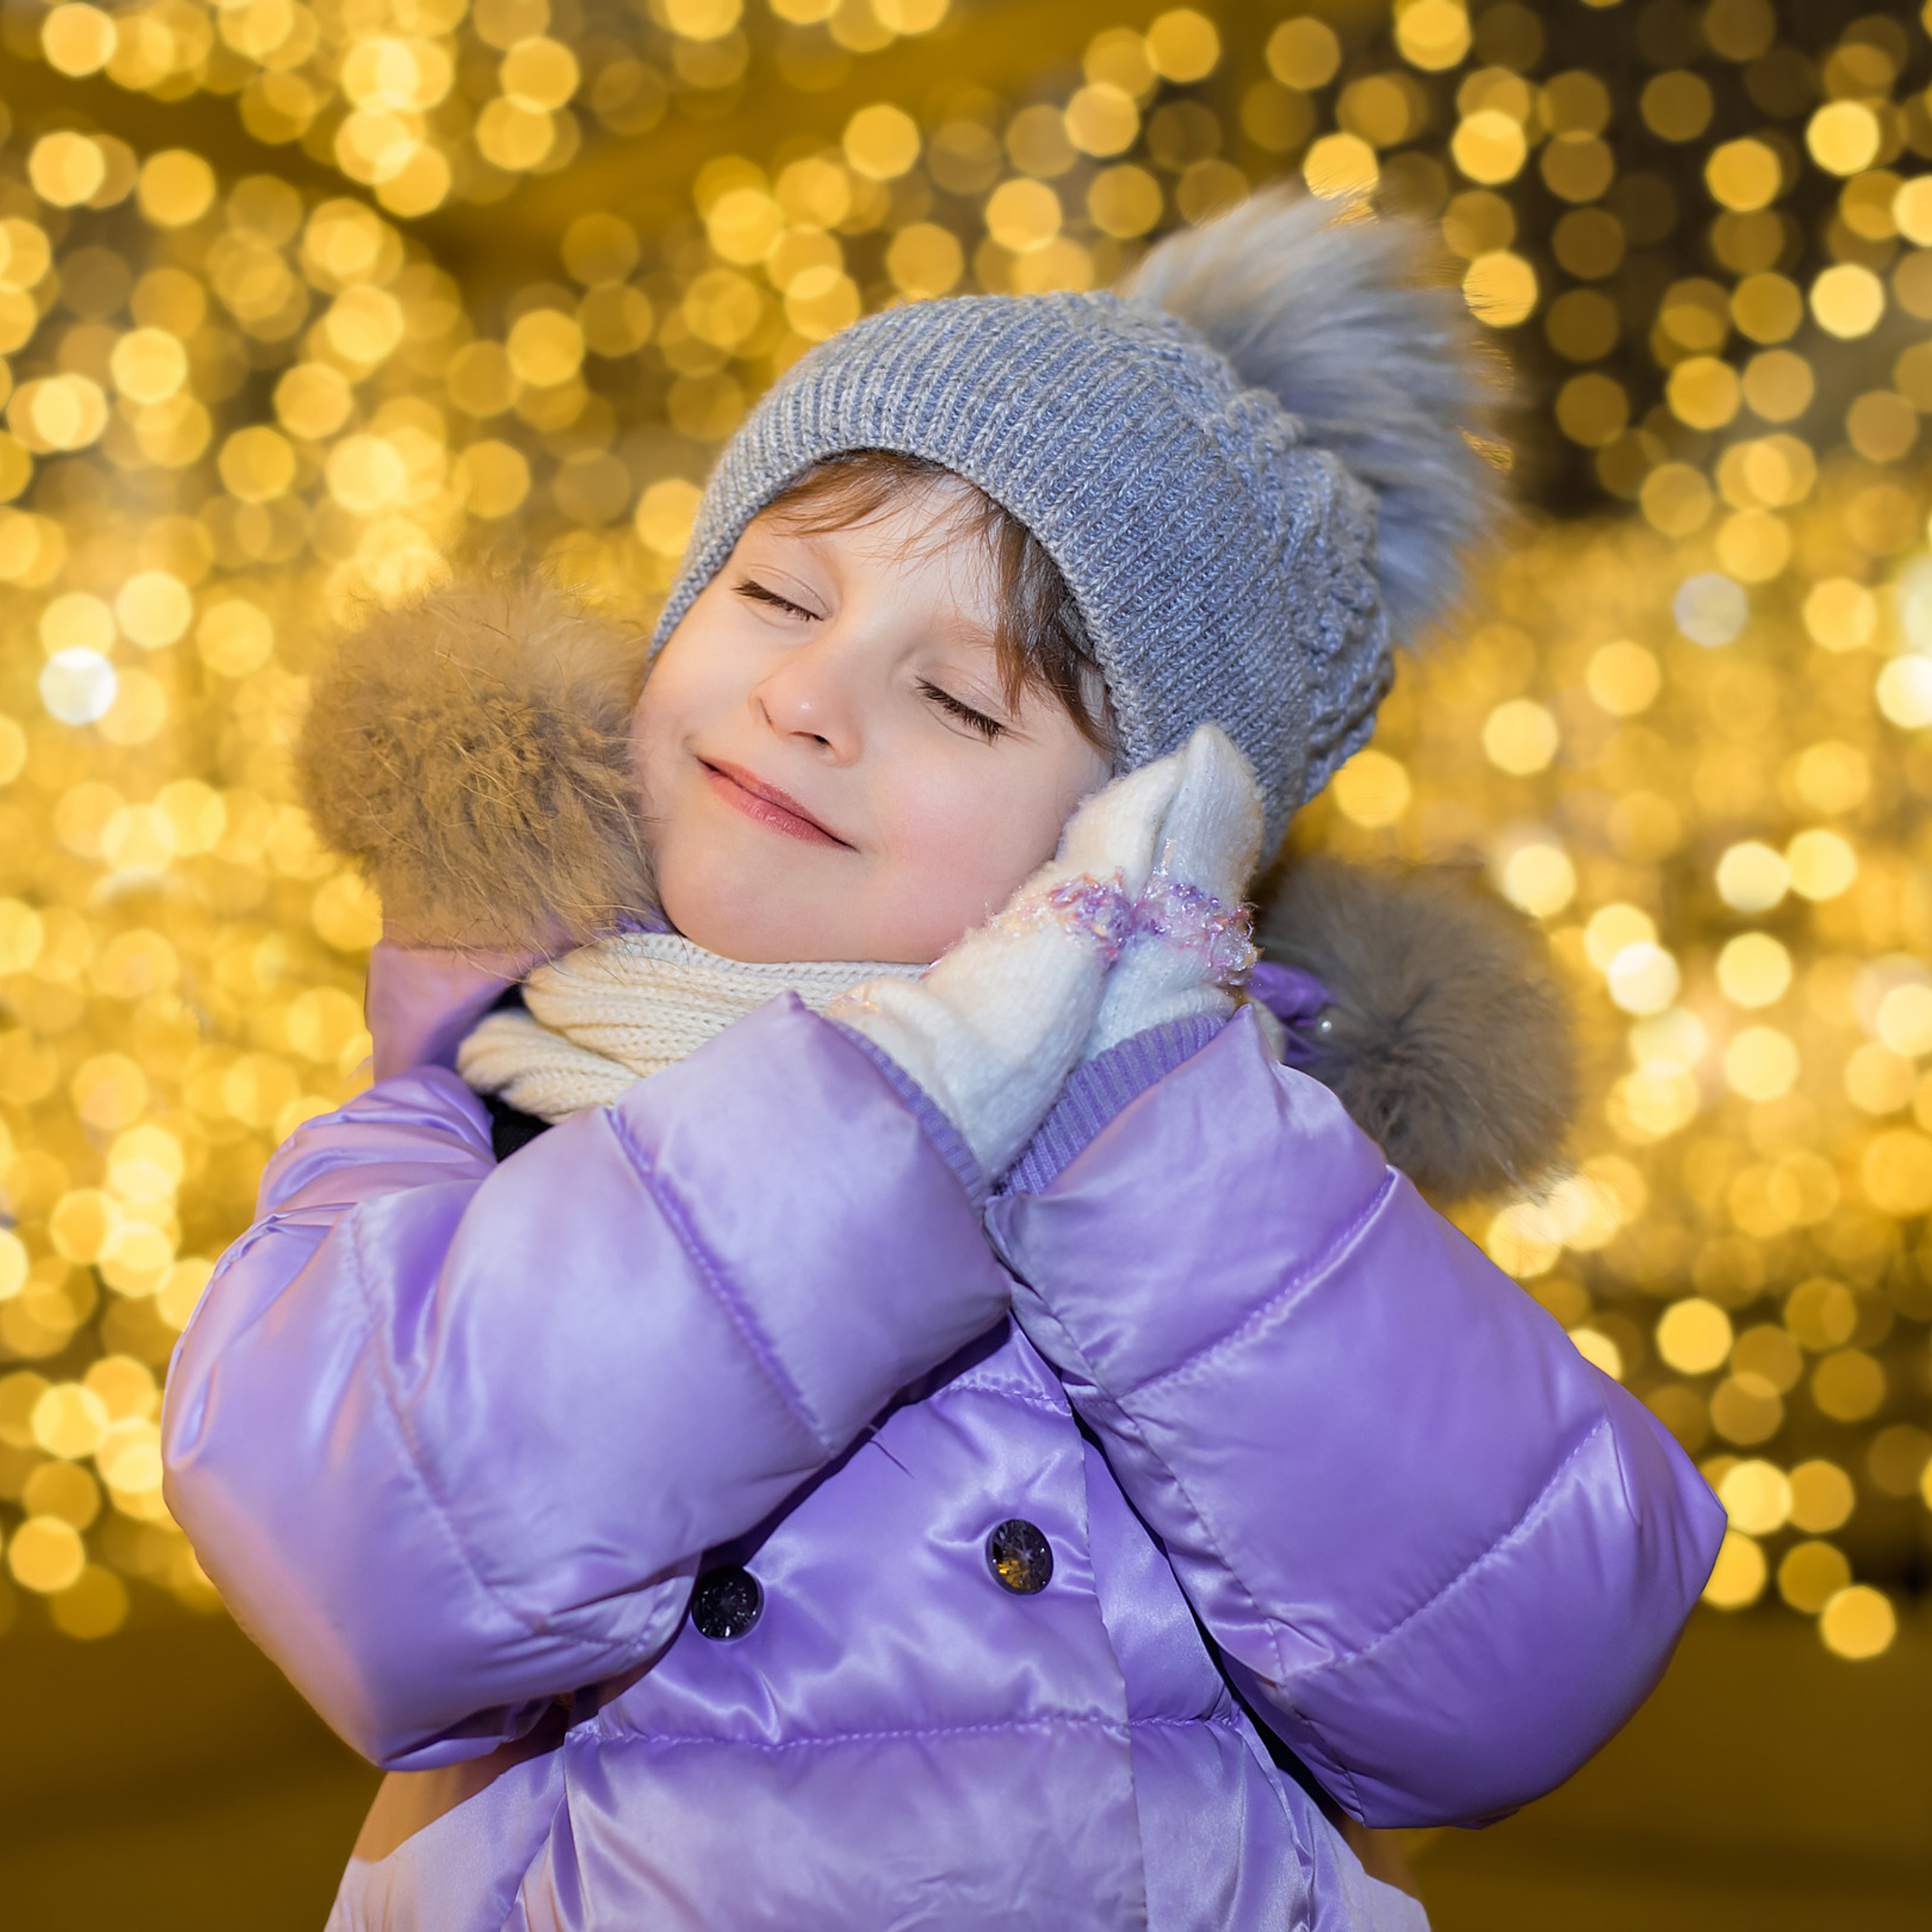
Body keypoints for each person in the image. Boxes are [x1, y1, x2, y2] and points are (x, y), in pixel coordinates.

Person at [162, 194, 1724, 1931]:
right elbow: (379, 1564)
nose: (810, 697)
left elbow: (1524, 1663)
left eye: (961, 701)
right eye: (773, 594)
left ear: (1139, 830)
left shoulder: (1238, 1161)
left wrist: (1124, 1088)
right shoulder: (462, 1110)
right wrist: (920, 1090)